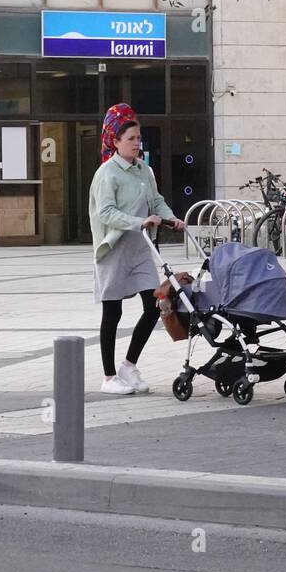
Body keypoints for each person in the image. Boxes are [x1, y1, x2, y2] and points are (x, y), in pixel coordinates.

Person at [90, 108, 184, 395]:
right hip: (115, 248)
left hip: (141, 249)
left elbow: (156, 201)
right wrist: (138, 222)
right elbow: (105, 212)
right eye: (130, 138)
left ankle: (128, 366)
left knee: (154, 305)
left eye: (138, 138)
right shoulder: (108, 173)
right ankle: (108, 378)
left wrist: (171, 218)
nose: (136, 143)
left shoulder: (144, 170)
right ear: (115, 142)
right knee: (113, 311)